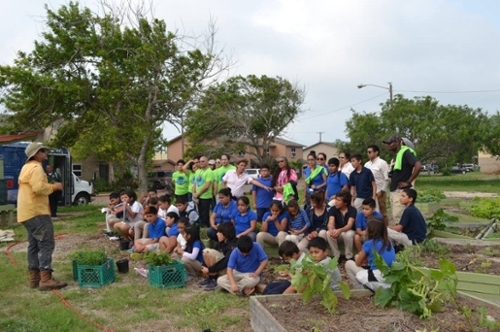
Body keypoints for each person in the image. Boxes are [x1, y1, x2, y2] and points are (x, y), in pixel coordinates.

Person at [18, 142, 66, 290]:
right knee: (46, 243)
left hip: (26, 212)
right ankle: (45, 279)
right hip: (37, 212)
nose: (46, 154)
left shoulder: (26, 167)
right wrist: (54, 186)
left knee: (34, 244)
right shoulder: (37, 167)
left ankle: (34, 278)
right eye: (43, 151)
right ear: (36, 153)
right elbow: (38, 188)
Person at [345, 217, 395, 291]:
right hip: (390, 276)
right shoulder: (389, 242)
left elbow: (358, 263)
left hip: (377, 276)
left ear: (370, 230)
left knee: (348, 264)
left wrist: (357, 257)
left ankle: (359, 289)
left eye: (366, 228)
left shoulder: (368, 244)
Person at [383, 135, 422, 224]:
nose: (387, 145)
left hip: (400, 192)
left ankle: (403, 237)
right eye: (387, 143)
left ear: (398, 143)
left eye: (390, 143)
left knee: (400, 220)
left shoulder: (405, 152)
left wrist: (408, 182)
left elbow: (418, 166)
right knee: (398, 218)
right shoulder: (398, 156)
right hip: (395, 191)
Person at [199, 222, 238, 290]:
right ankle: (211, 278)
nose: (217, 234)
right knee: (206, 251)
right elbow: (209, 255)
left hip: (229, 270)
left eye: (219, 232)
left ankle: (214, 279)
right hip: (219, 269)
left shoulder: (233, 245)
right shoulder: (220, 242)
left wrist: (209, 269)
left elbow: (226, 262)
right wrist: (204, 266)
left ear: (225, 234)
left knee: (209, 251)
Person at [320, 190, 356, 261]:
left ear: (345, 203)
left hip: (349, 231)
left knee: (348, 234)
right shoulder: (333, 209)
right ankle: (336, 256)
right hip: (338, 232)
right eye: (336, 199)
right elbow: (330, 222)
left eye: (339, 200)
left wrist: (340, 230)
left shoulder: (352, 210)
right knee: (328, 233)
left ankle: (349, 256)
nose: (336, 202)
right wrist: (330, 229)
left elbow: (349, 225)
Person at [364, 145, 390, 225]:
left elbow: (387, 178)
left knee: (382, 212)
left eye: (370, 152)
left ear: (376, 152)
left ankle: (386, 230)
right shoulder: (367, 164)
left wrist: (382, 191)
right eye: (367, 152)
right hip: (369, 192)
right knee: (370, 212)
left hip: (379, 192)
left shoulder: (382, 163)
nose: (368, 153)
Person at [193, 155, 214, 228]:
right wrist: (193, 193)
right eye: (200, 161)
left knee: (205, 215)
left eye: (203, 161)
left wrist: (198, 193)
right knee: (199, 214)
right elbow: (195, 183)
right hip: (197, 197)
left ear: (207, 162)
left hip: (205, 197)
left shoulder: (209, 172)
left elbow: (207, 185)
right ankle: (201, 229)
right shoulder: (198, 171)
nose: (201, 163)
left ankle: (206, 231)